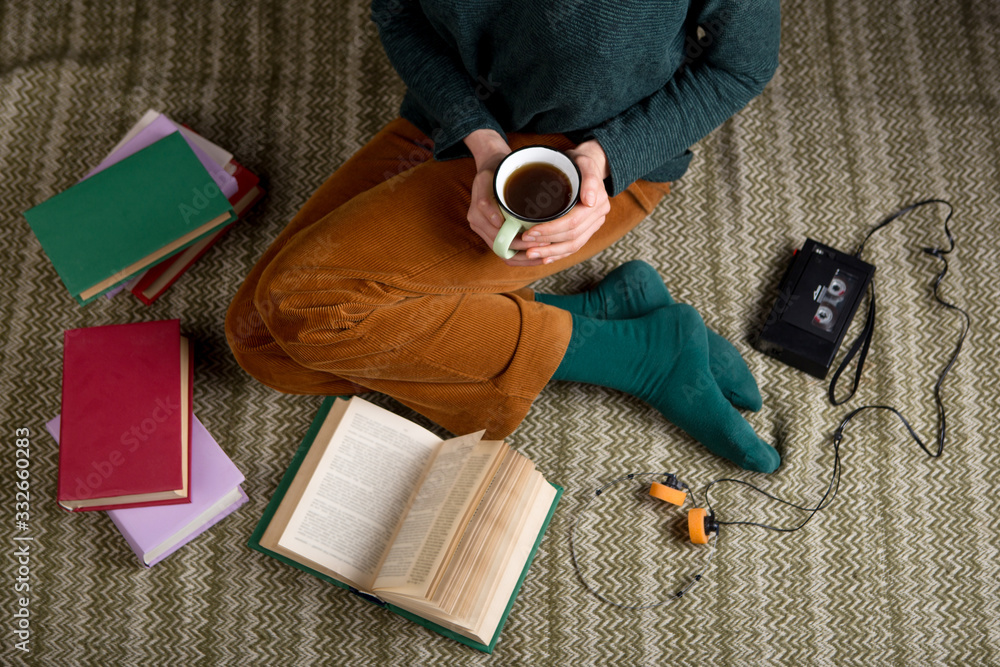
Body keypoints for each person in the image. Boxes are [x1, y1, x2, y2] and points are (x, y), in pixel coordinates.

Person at [225, 0, 783, 472]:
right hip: (452, 124)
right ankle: (616, 336)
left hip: (593, 159)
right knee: (261, 343)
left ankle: (644, 356)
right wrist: (477, 137)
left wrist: (605, 160)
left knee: (306, 309)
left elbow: (742, 65)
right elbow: (396, 12)